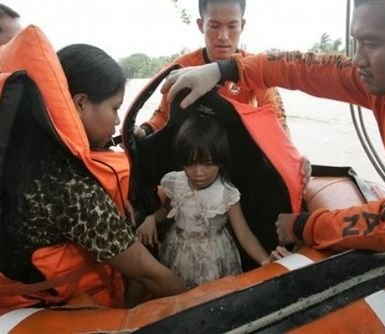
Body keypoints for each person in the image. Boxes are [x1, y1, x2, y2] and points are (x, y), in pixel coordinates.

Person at [160, 0, 385, 254]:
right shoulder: (382, 83)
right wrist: (223, 70)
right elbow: (304, 68)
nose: (358, 59)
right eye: (357, 42)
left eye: (372, 44)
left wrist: (303, 225)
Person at [1, 43, 185, 308]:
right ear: (80, 103)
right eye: (114, 108)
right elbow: (149, 274)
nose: (117, 120)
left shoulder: (28, 151)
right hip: (39, 306)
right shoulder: (70, 186)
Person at [136, 115, 287, 288]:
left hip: (213, 257)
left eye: (207, 164)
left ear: (220, 161)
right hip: (179, 250)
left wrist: (265, 261)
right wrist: (152, 219)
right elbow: (169, 211)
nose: (199, 172)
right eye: (191, 164)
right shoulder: (175, 182)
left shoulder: (226, 193)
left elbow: (244, 235)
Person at [134, 0, 288, 137]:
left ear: (242, 25)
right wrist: (145, 130)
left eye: (232, 26)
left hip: (238, 153)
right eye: (214, 25)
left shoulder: (255, 68)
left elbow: (277, 119)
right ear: (201, 25)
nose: (223, 36)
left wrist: (290, 157)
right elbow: (164, 115)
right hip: (194, 158)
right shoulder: (183, 65)